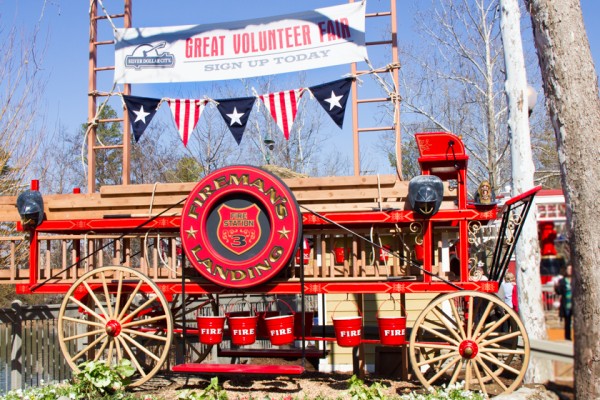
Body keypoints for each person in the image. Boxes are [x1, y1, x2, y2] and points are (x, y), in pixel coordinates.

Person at [555, 265, 573, 340]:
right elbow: (559, 292)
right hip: (566, 304)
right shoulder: (562, 281)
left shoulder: (575, 280)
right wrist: (556, 287)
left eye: (571, 269)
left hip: (575, 304)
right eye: (568, 269)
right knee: (567, 321)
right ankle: (567, 337)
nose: (570, 270)